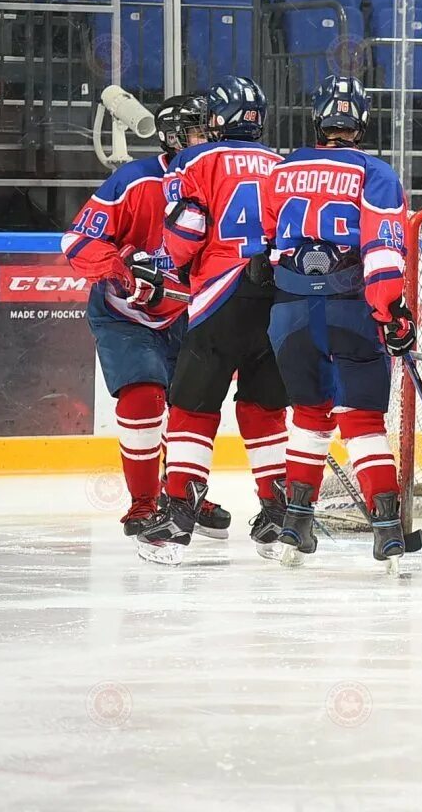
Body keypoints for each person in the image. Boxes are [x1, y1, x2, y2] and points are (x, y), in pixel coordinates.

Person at [260, 77, 413, 569]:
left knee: (308, 415)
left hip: (288, 310)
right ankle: (387, 533)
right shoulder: (376, 172)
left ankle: (295, 526)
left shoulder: (282, 169)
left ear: (317, 120)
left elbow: (265, 239)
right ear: (362, 123)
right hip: (349, 308)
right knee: (362, 421)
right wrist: (391, 312)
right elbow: (384, 251)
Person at [136, 77, 289, 565]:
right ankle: (277, 512)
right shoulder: (285, 165)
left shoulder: (194, 161)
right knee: (264, 407)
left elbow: (189, 229)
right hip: (280, 297)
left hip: (222, 296)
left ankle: (179, 511)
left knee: (192, 407)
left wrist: (162, 261)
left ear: (217, 121)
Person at [62, 95, 229, 539]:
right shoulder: (133, 181)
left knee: (192, 405)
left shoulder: (216, 181)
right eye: (197, 132)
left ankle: (183, 493)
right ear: (174, 136)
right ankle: (142, 506)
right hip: (125, 315)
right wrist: (122, 275)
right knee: (144, 395)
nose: (206, 140)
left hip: (185, 314)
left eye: (208, 132)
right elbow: (78, 242)